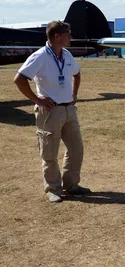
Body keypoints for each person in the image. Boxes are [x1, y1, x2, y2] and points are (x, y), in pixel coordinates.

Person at [13, 21, 91, 203]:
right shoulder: (39, 56)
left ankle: (71, 185)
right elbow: (19, 79)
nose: (71, 36)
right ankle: (53, 189)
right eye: (68, 33)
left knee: (76, 148)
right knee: (49, 152)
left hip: (69, 110)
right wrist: (38, 100)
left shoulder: (67, 54)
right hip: (49, 111)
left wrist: (74, 94)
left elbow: (77, 74)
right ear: (57, 36)